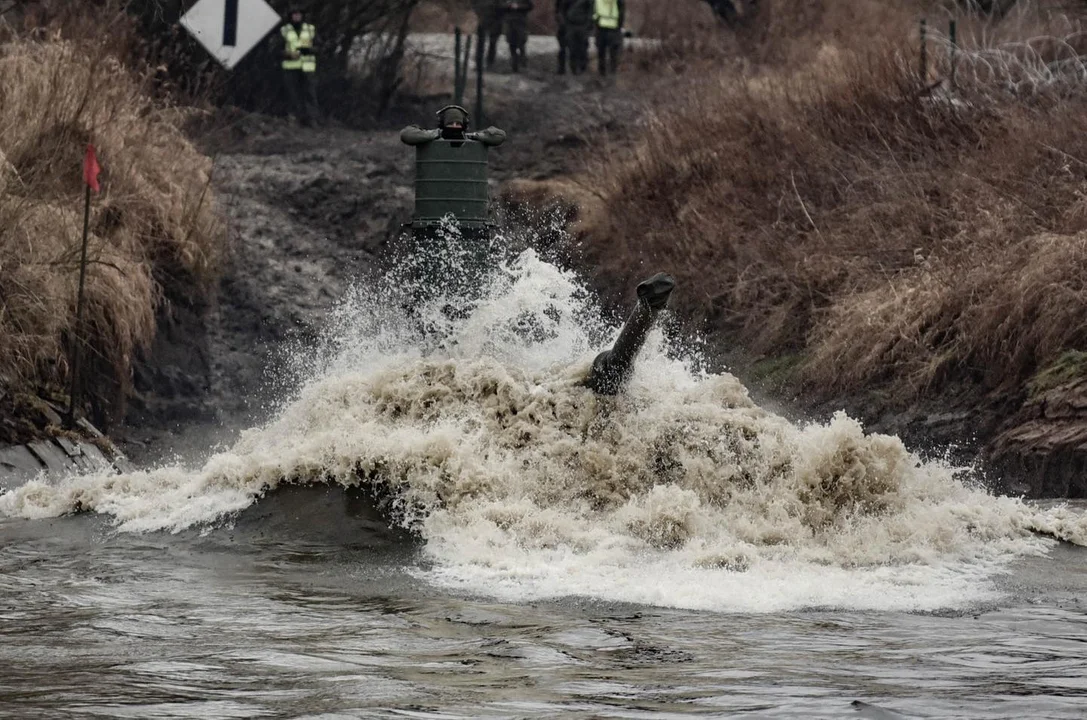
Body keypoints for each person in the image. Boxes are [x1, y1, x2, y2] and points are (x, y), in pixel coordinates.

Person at [281, 7, 320, 127]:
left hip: (307, 66)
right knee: (292, 93)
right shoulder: (284, 30)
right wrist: (288, 54)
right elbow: (277, 49)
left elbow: (319, 47)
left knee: (310, 93)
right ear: (290, 16)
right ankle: (294, 118)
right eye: (294, 14)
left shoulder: (310, 29)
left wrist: (308, 50)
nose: (296, 16)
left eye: (298, 14)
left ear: (302, 16)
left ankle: (311, 119)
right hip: (290, 66)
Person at [399, 105, 507, 147]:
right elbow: (406, 134)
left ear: (464, 125)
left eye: (458, 124)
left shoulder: (469, 138)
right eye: (450, 124)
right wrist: (433, 135)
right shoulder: (433, 136)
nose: (454, 126)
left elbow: (500, 136)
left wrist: (475, 136)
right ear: (442, 124)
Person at [593, 0, 623, 76]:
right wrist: (619, 25)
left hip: (601, 26)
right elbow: (621, 12)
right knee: (613, 53)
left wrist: (595, 23)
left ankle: (601, 72)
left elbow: (594, 11)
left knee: (601, 52)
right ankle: (612, 72)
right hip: (614, 27)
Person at [503, 0, 533, 73]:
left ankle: (523, 63)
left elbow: (530, 6)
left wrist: (519, 7)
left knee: (521, 43)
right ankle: (514, 65)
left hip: (521, 22)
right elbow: (500, 6)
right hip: (509, 22)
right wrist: (508, 6)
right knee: (511, 44)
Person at [472, 0, 505, 68]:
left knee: (491, 43)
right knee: (481, 43)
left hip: (494, 20)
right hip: (484, 19)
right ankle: (480, 64)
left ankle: (489, 63)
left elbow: (504, 6)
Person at [563, 0, 593, 74]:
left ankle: (582, 67)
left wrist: (588, 23)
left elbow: (590, 10)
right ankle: (573, 67)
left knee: (583, 47)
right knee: (572, 47)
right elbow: (563, 8)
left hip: (583, 25)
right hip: (571, 24)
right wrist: (565, 22)